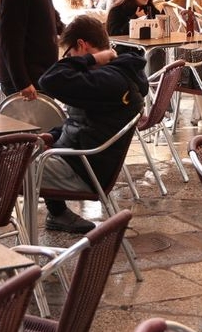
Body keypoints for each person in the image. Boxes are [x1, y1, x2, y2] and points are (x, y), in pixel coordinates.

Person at [36, 15, 147, 233]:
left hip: (81, 170)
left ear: (81, 45)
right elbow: (86, 121)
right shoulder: (114, 74)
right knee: (7, 152)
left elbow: (49, 80)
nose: (67, 61)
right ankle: (58, 213)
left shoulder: (108, 79)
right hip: (80, 160)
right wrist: (53, 135)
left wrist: (91, 60)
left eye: (69, 55)